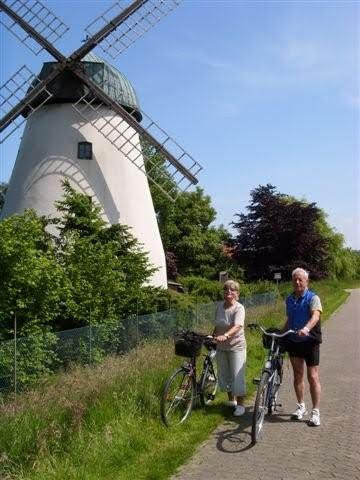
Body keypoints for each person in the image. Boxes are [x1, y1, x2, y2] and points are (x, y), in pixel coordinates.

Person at [283, 267, 323, 426]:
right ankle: (301, 406)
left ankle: (315, 411)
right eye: (295, 279)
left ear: (307, 281)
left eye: (301, 279)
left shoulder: (313, 298)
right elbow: (289, 319)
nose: (298, 282)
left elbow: (316, 316)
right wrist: (281, 333)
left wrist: (306, 328)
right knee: (297, 375)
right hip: (294, 341)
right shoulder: (289, 299)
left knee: (312, 376)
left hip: (310, 341)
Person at [213, 279, 247, 416]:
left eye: (232, 290)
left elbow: (237, 326)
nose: (229, 292)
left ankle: (241, 405)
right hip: (221, 346)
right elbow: (217, 325)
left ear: (237, 294)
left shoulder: (239, 308)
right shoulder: (219, 307)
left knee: (237, 376)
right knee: (225, 374)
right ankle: (231, 400)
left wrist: (226, 335)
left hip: (236, 347)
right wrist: (213, 336)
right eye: (226, 289)